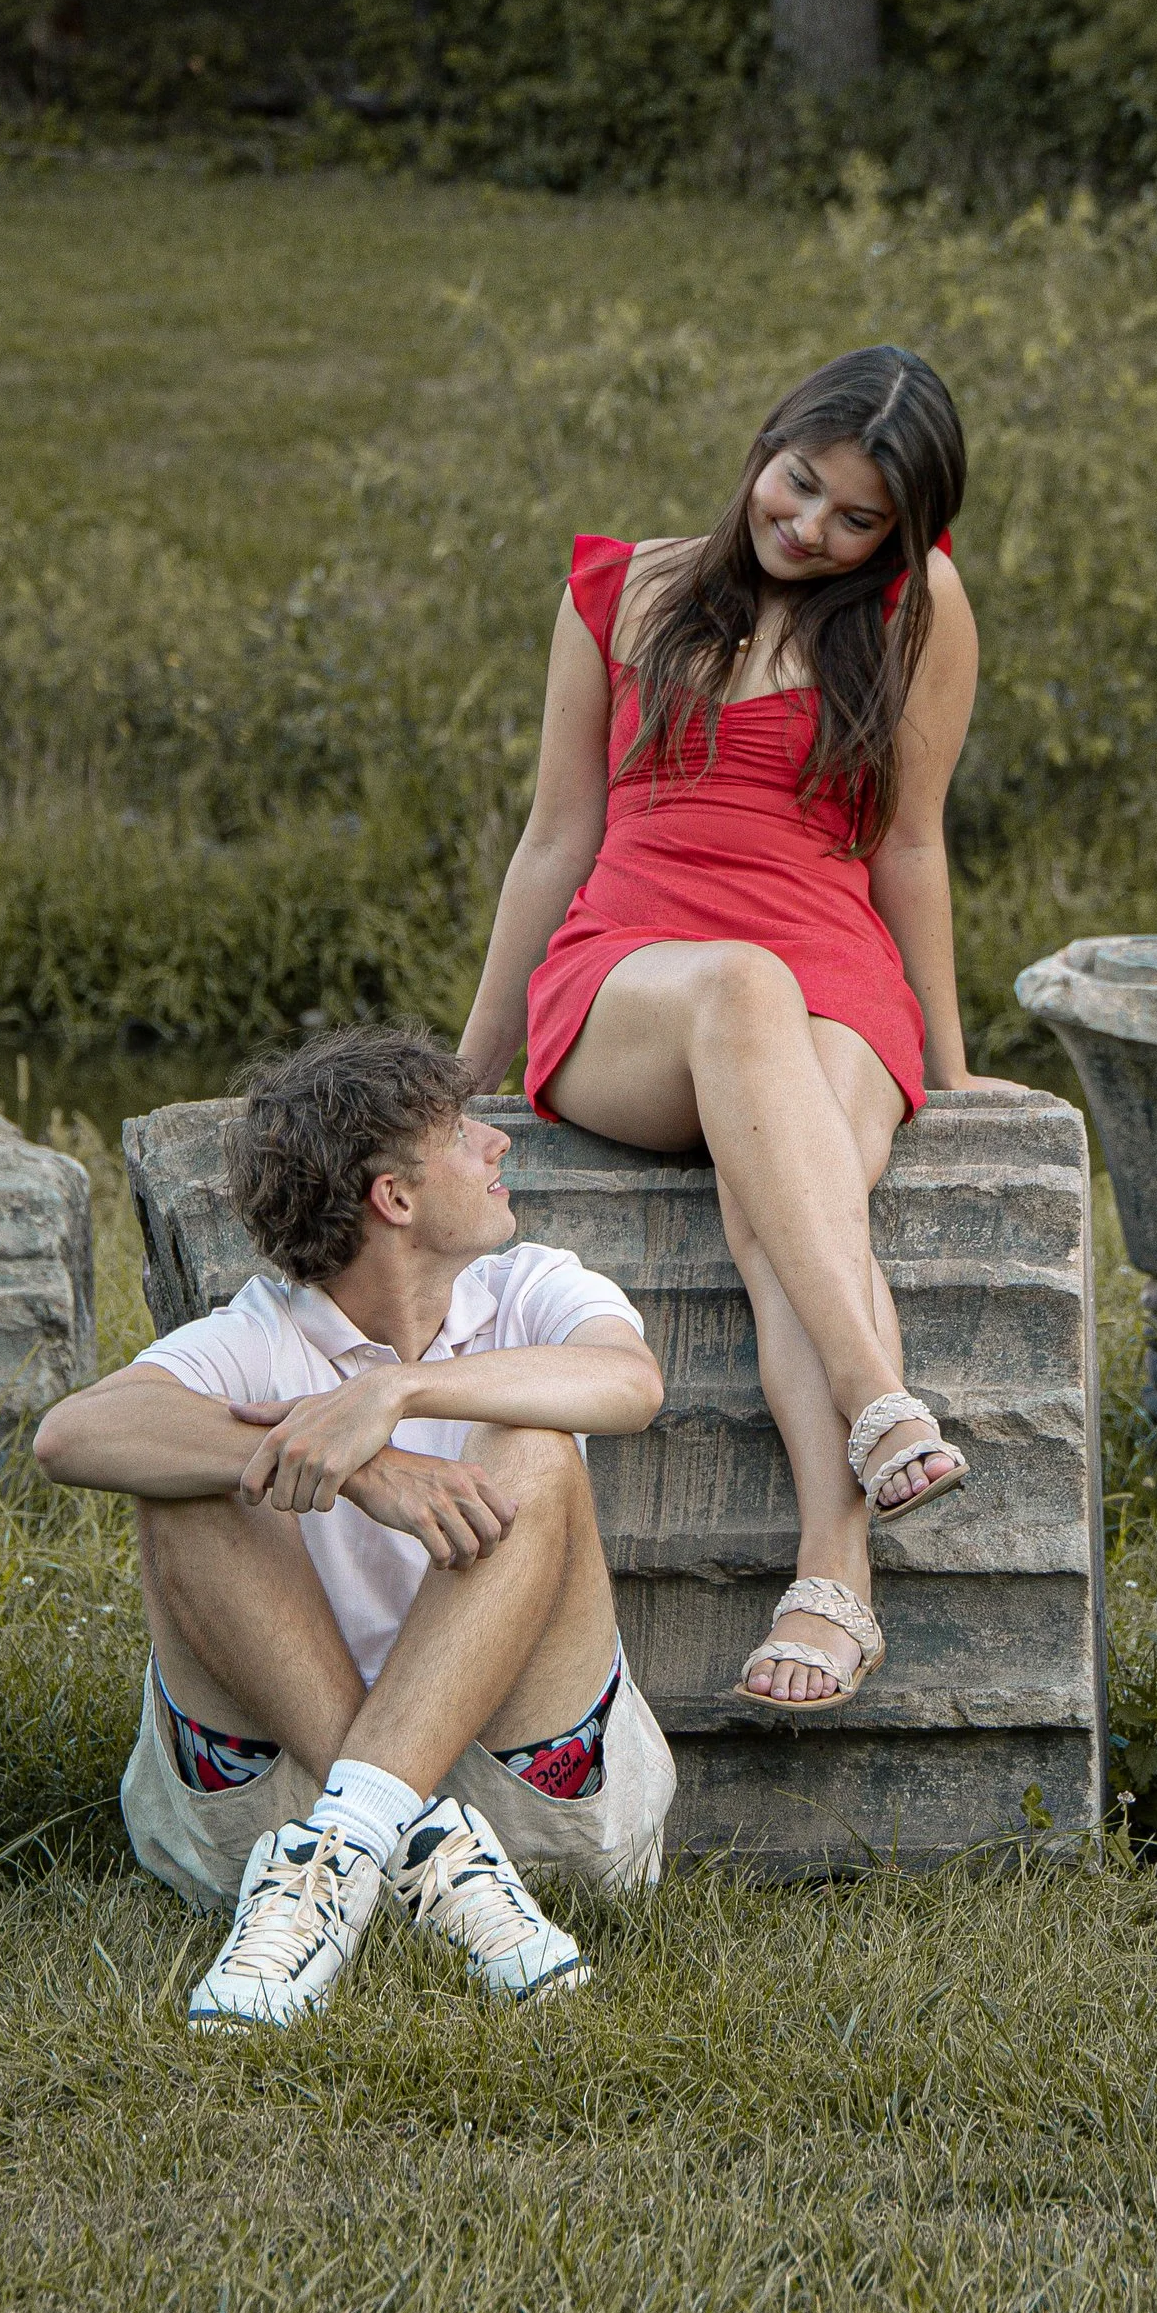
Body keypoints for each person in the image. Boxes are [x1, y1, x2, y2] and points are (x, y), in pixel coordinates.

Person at [456, 342, 1003, 1718]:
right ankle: (885, 1401)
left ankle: (836, 1575)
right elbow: (554, 834)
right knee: (743, 988)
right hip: (636, 974)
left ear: (908, 528)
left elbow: (915, 844)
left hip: (838, 965)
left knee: (789, 1207)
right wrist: (467, 1064)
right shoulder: (625, 587)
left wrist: (943, 1060)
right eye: (798, 482)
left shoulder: (918, 609)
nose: (808, 525)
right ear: (767, 445)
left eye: (854, 516)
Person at [33, 1022, 674, 2029]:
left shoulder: (535, 1287)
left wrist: (398, 1395)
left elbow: (630, 1384)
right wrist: (366, 1470)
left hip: (529, 1801)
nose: (497, 1144)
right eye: (464, 1132)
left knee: (537, 1448)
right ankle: (395, 1835)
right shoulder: (258, 1335)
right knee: (190, 1473)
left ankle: (347, 1849)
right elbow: (74, 1435)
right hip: (271, 1794)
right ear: (397, 1198)